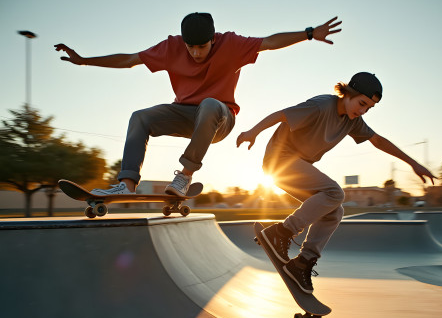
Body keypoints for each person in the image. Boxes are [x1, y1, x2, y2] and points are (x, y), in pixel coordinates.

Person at [54, 13, 342, 196]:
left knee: (209, 104)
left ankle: (185, 177)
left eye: (201, 47)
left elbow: (268, 42)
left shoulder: (231, 44)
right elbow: (129, 60)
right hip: (184, 115)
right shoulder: (171, 47)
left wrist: (307, 33)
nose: (194, 53)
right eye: (190, 46)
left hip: (220, 118)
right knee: (139, 117)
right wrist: (84, 61)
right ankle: (126, 185)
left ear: (212, 40)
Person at [236, 72, 436, 294]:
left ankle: (302, 263)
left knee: (334, 211)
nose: (361, 111)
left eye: (368, 108)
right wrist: (252, 132)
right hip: (279, 161)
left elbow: (378, 140)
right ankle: (280, 233)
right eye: (361, 103)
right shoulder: (321, 106)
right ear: (347, 93)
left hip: (298, 167)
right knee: (334, 193)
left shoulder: (353, 121)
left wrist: (413, 163)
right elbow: (282, 115)